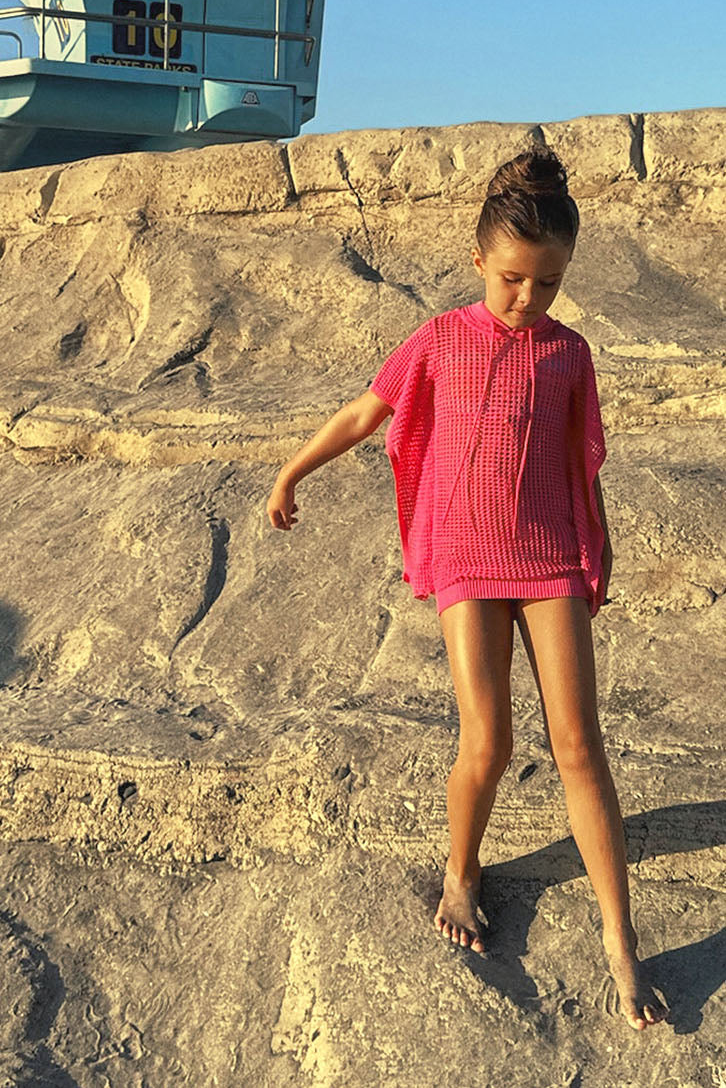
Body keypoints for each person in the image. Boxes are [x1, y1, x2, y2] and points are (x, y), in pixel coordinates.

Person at [266, 148, 669, 1032]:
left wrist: (594, 552)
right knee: (486, 740)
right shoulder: (442, 339)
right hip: (465, 555)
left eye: (550, 284)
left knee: (578, 745)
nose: (529, 299)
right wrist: (293, 471)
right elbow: (366, 412)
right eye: (516, 279)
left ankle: (621, 942)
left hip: (547, 553)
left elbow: (581, 464)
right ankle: (461, 870)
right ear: (479, 257)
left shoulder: (569, 354)